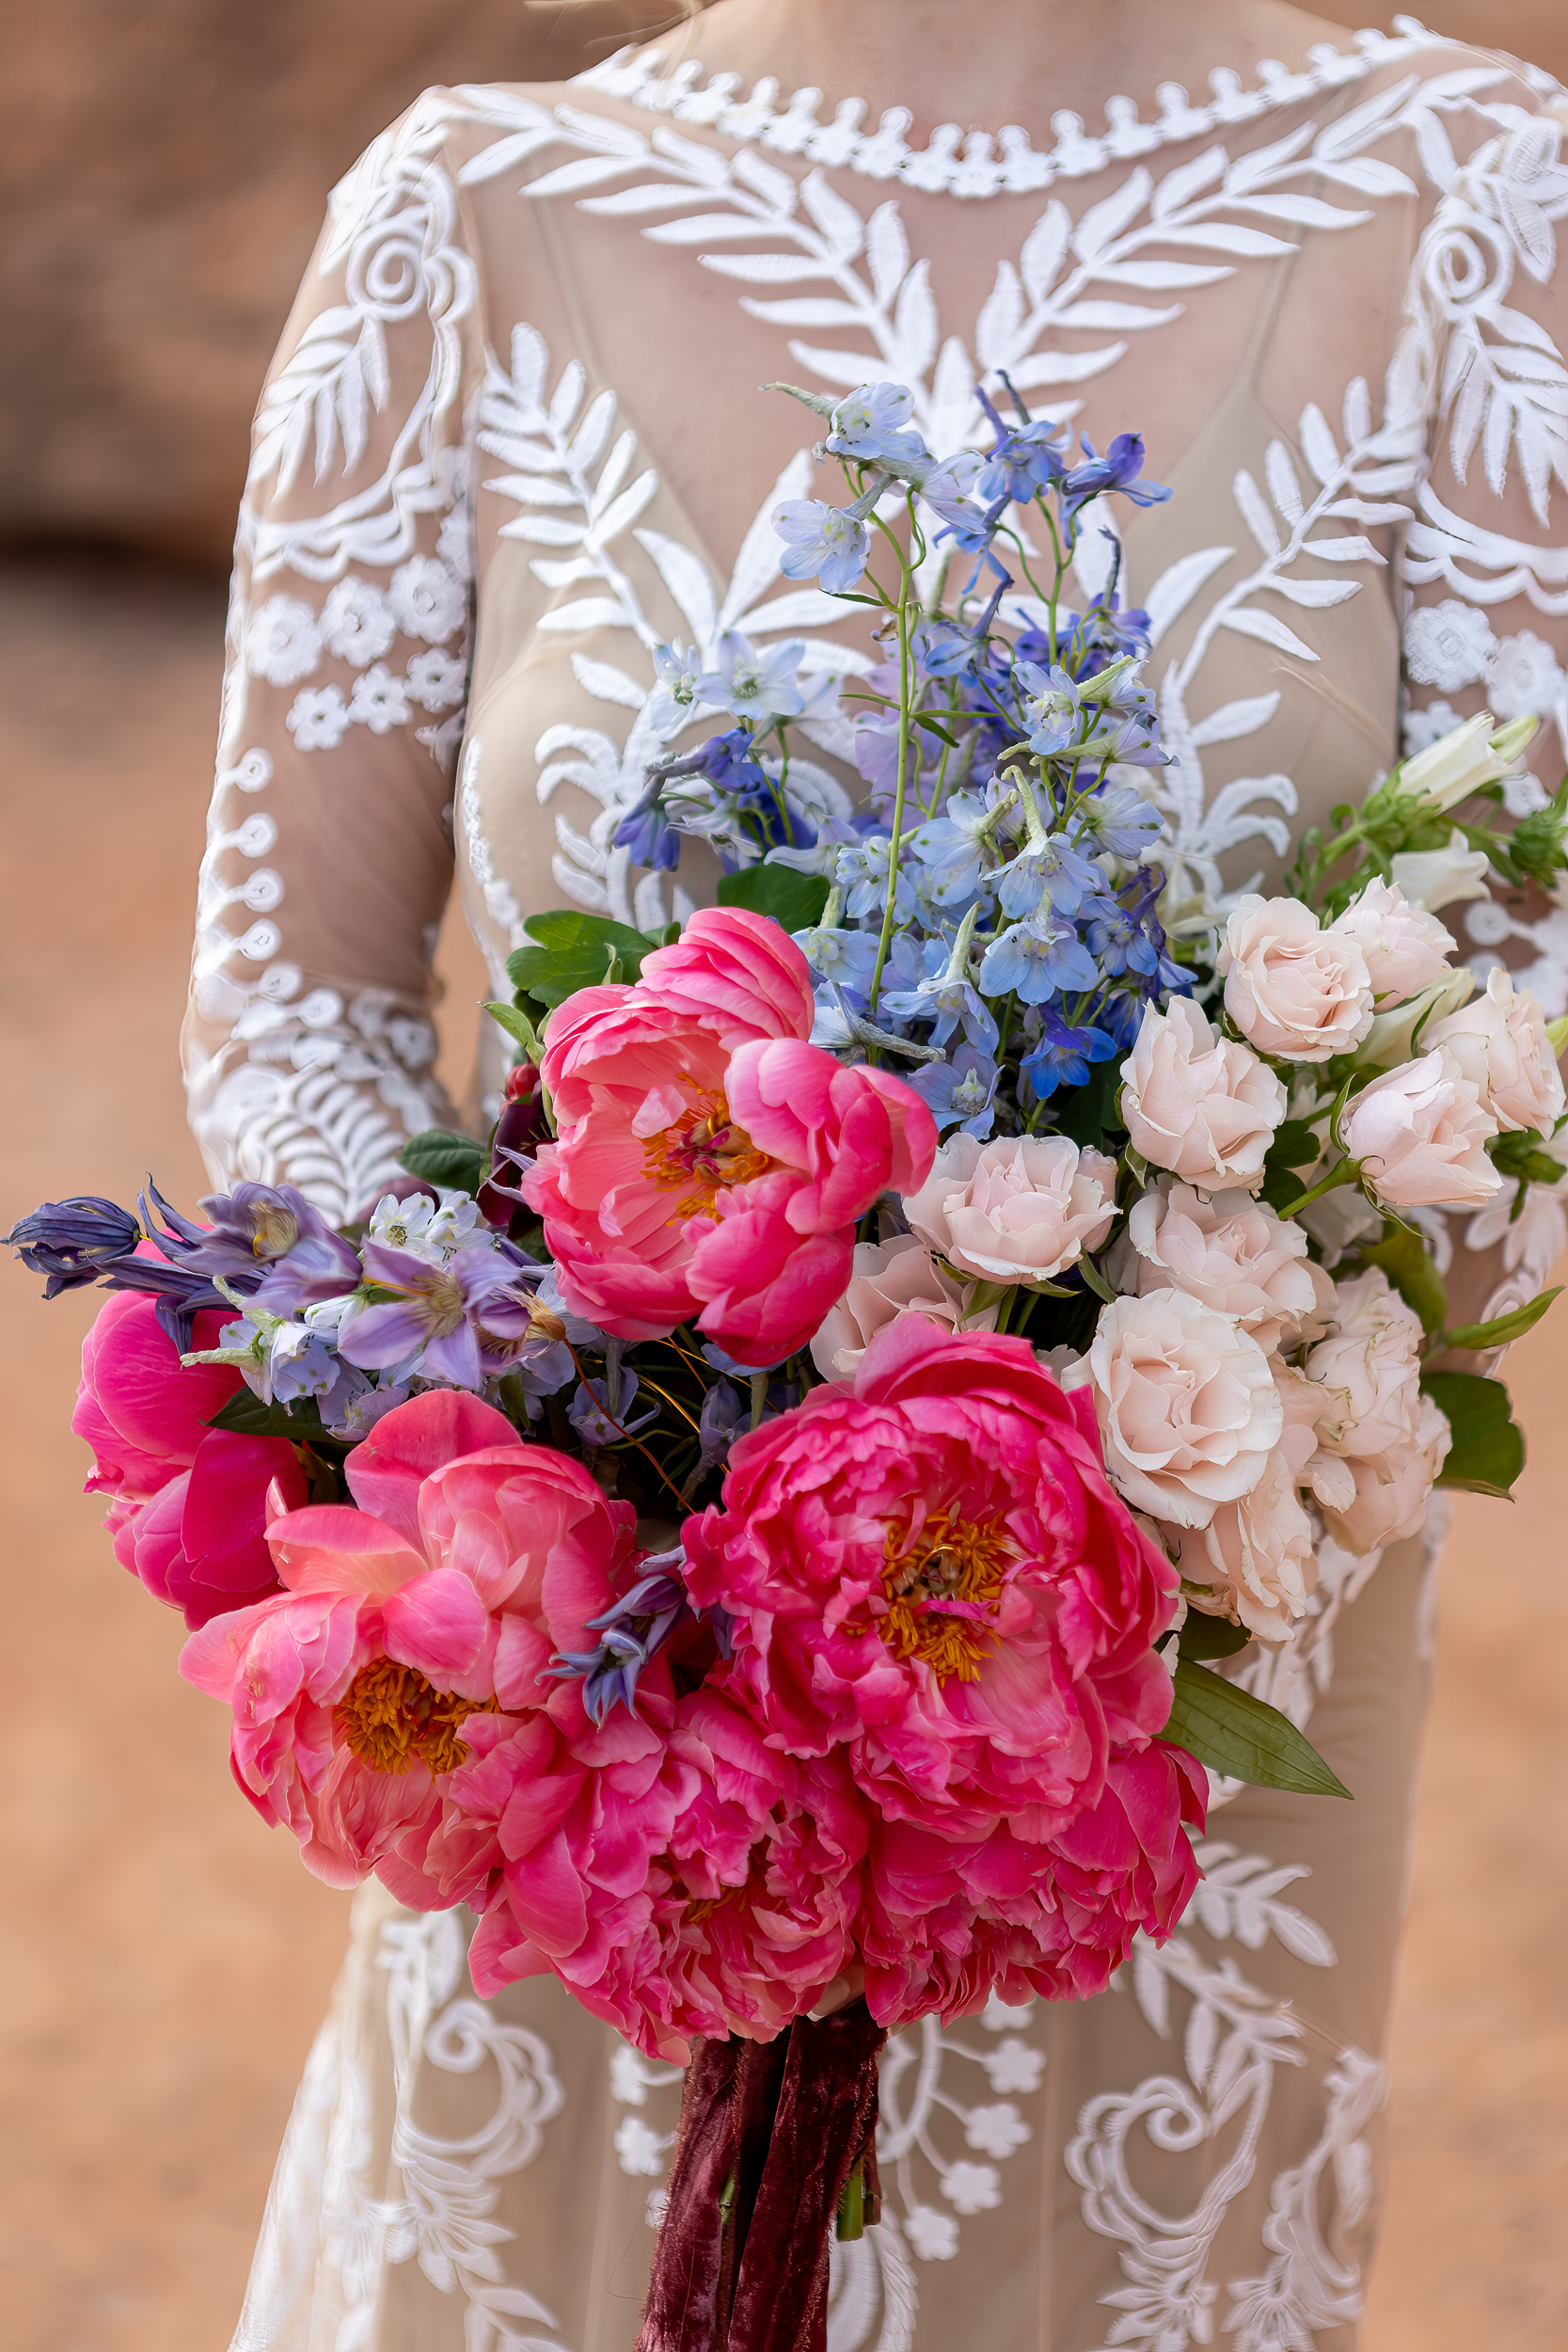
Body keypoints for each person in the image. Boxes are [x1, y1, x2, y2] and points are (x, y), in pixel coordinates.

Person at [191, 6, 1568, 2346]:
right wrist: (577, 1443)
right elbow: (296, 1006)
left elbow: (1526, 1019)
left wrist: (1105, 1406)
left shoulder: (1479, 206)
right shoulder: (466, 217)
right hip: (604, 1757)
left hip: (1170, 1724)